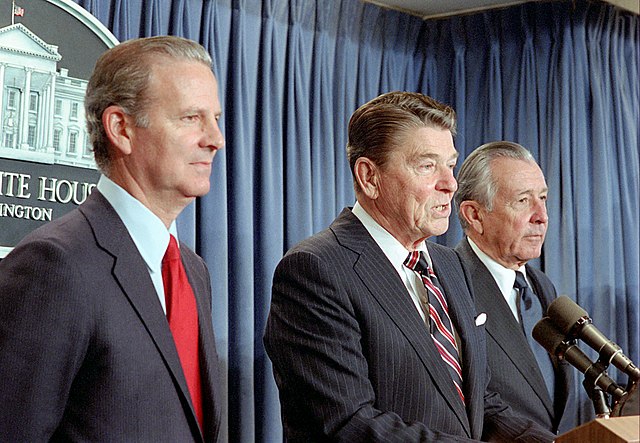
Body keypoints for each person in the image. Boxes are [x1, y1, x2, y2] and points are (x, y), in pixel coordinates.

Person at [264, 91, 556, 442]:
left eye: (450, 164)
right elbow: (348, 424)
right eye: (427, 165)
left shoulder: (450, 265)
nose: (450, 184)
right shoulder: (316, 270)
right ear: (370, 177)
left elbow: (481, 402)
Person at [0, 36, 225, 441]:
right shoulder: (54, 265)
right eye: (191, 118)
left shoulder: (193, 271)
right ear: (121, 129)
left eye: (216, 118)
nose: (215, 139)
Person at [454, 141, 573, 434]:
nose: (541, 215)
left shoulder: (541, 286)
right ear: (475, 215)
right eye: (523, 201)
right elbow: (473, 400)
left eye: (542, 198)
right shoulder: (450, 285)